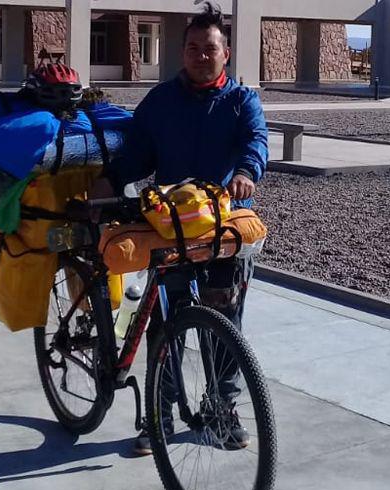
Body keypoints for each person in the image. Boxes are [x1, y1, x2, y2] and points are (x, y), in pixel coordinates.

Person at [92, 3, 268, 456]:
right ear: (182, 53)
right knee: (164, 325)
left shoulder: (241, 101)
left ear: (225, 53)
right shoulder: (160, 101)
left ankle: (220, 410)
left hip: (221, 233)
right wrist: (111, 180)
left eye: (209, 48)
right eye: (192, 48)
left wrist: (248, 170)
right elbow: (137, 155)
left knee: (224, 324)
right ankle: (159, 417)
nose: (200, 56)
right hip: (169, 231)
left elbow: (256, 142)